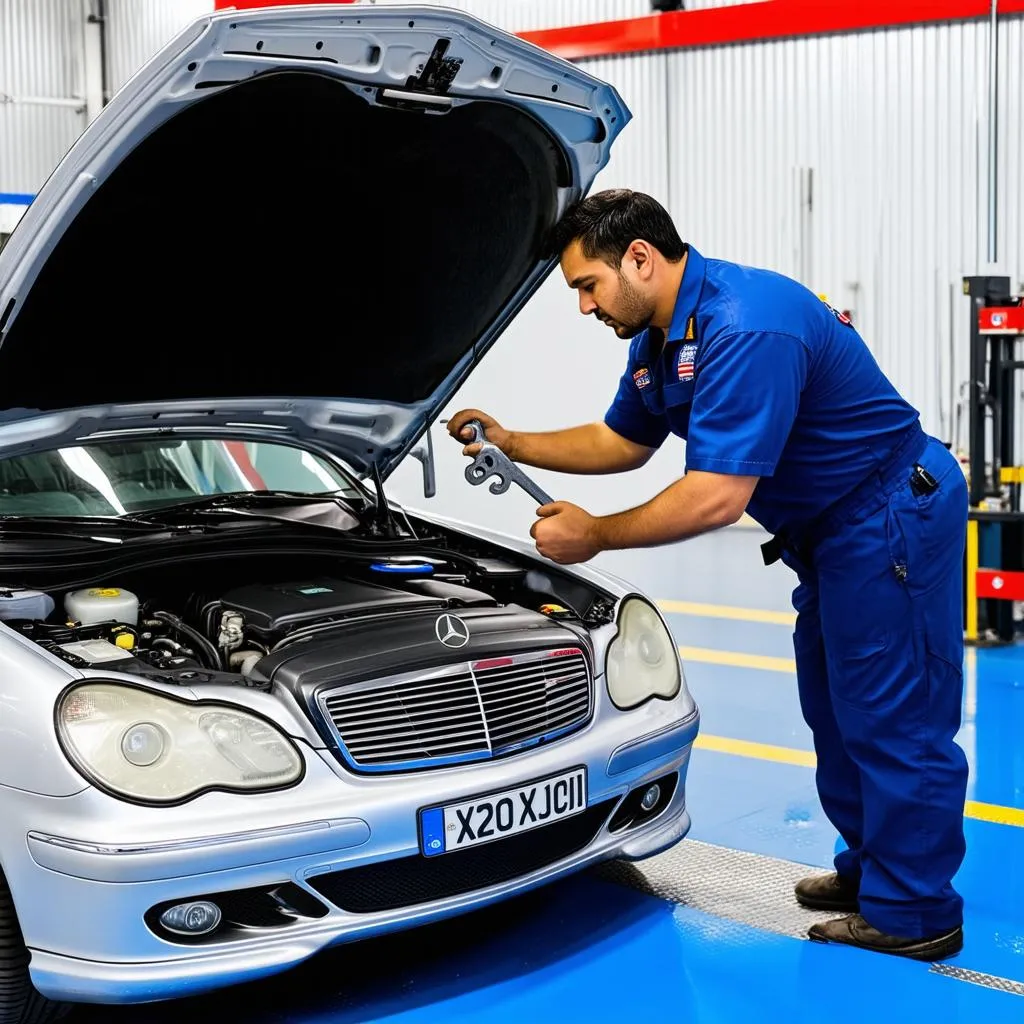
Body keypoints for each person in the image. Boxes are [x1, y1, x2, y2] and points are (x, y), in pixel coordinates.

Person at [447, 189, 969, 962]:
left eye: (587, 286)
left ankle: (916, 910)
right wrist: (513, 439)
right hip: (830, 531)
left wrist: (596, 533)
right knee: (835, 709)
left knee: (892, 715)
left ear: (640, 258)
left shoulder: (745, 324)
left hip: (889, 514)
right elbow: (620, 441)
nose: (585, 307)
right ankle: (875, 872)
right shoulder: (660, 337)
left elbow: (716, 497)